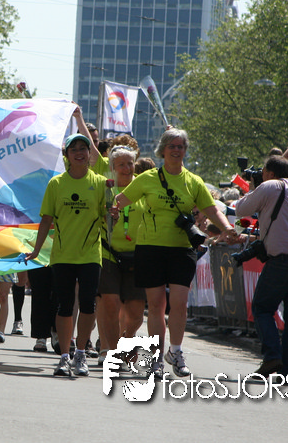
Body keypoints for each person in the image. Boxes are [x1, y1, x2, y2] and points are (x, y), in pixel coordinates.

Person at [114, 128, 237, 378]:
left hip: (181, 249)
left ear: (185, 150)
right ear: (163, 150)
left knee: (179, 303)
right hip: (150, 248)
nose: (176, 150)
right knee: (156, 305)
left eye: (181, 146)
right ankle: (157, 358)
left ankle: (176, 352)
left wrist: (227, 228)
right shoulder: (147, 178)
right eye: (172, 146)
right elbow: (120, 200)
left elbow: (212, 209)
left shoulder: (193, 181)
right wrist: (112, 211)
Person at [26, 107, 106, 377]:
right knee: (63, 306)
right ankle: (64, 355)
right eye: (74, 150)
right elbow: (46, 220)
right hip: (61, 255)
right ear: (67, 155)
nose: (80, 153)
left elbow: (109, 217)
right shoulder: (56, 184)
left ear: (89, 153)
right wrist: (36, 251)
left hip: (90, 255)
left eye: (84, 149)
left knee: (88, 305)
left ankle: (81, 353)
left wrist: (115, 215)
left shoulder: (100, 183)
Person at [235, 156, 288, 376]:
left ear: (271, 174)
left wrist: (253, 188)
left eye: (263, 173)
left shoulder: (270, 186)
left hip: (283, 259)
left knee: (262, 308)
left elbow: (240, 209)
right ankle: (287, 371)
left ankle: (272, 356)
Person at [97, 145, 146, 366]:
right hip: (108, 253)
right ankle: (111, 350)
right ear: (112, 168)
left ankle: (127, 340)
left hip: (137, 256)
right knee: (110, 303)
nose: (126, 168)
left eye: (130, 163)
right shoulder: (106, 189)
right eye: (121, 165)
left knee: (135, 314)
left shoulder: (143, 187)